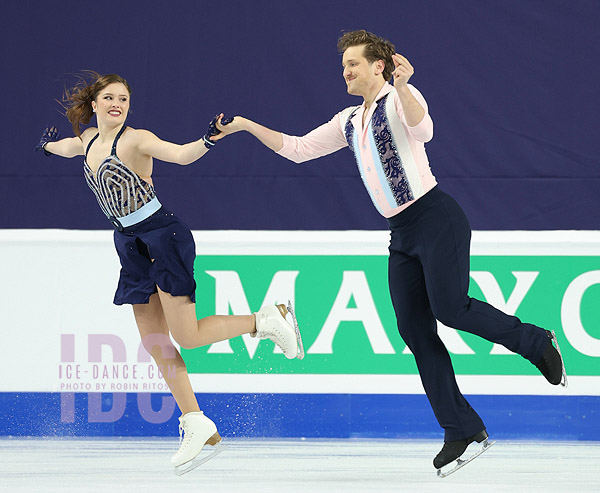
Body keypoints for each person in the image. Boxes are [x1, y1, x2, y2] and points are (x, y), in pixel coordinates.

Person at [214, 30, 567, 474]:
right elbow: (299, 150)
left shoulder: (400, 95)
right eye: (344, 65)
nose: (345, 71)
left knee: (451, 308)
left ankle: (535, 341)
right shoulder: (349, 120)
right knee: (414, 330)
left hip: (436, 218)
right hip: (401, 234)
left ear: (377, 66)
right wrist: (245, 126)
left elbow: (424, 129)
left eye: (353, 64)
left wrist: (402, 85)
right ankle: (459, 427)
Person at [36, 71, 304, 474]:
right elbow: (64, 147)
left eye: (123, 99)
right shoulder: (87, 140)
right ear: (94, 104)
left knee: (187, 336)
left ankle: (266, 319)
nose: (117, 105)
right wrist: (46, 146)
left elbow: (180, 154)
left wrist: (210, 138)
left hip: (162, 235)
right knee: (156, 342)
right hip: (128, 244)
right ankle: (196, 422)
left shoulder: (136, 139)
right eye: (109, 98)